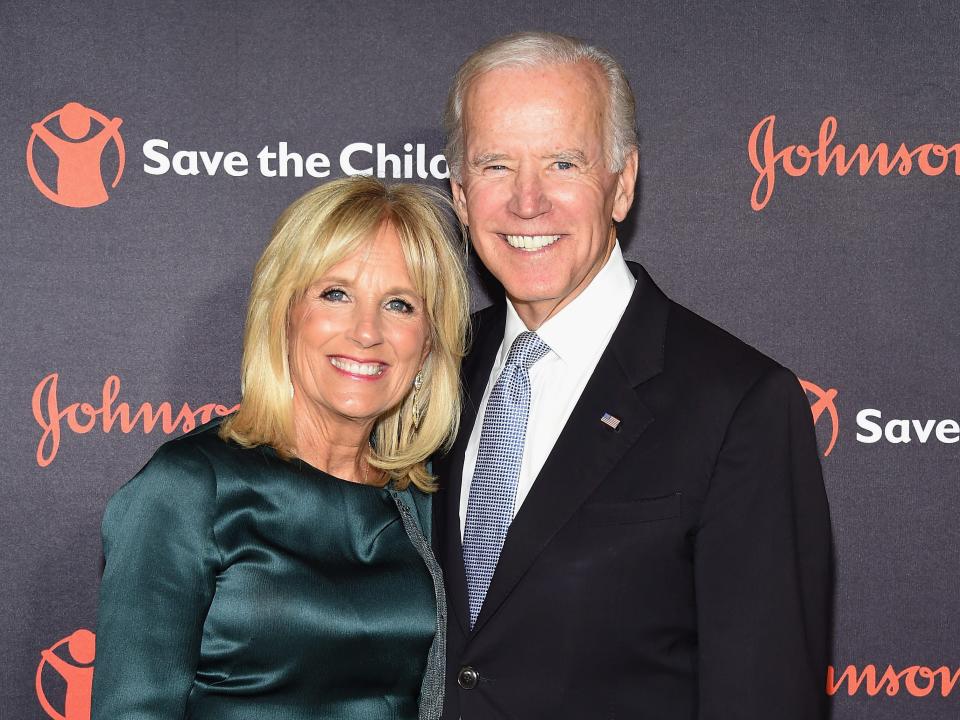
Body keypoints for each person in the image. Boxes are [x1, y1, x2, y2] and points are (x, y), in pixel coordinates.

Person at [433, 32, 832, 719]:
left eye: (563, 162)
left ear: (622, 183)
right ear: (462, 197)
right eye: (496, 165)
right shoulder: (434, 373)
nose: (528, 202)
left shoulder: (739, 404)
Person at [91, 176, 469, 720]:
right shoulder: (191, 487)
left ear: (430, 339)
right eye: (335, 294)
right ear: (284, 311)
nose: (367, 331)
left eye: (400, 304)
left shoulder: (425, 500)